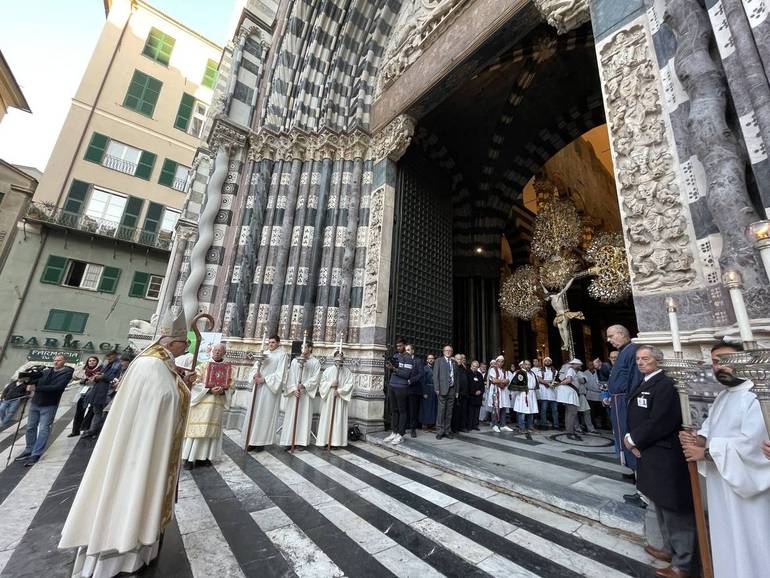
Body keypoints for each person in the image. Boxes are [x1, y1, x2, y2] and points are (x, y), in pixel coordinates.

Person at [59, 308, 192, 576]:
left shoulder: (159, 363)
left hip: (146, 443)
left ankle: (140, 545)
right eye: (184, 343)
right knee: (129, 493)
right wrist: (182, 389)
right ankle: (119, 545)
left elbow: (164, 398)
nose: (186, 347)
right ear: (172, 342)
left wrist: (182, 383)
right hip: (137, 449)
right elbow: (162, 401)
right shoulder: (151, 365)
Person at [679, 341, 770, 578]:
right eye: (715, 362)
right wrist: (694, 438)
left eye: (724, 360)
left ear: (744, 360)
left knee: (752, 539)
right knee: (727, 539)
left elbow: (752, 446)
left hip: (746, 489)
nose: (718, 366)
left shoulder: (758, 395)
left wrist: (706, 453)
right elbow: (709, 433)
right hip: (722, 484)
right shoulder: (723, 397)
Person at [624, 346, 695, 578]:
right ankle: (668, 549)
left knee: (674, 508)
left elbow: (661, 420)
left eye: (646, 358)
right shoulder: (646, 381)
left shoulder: (665, 384)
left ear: (658, 360)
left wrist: (633, 438)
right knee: (660, 502)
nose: (641, 362)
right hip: (650, 451)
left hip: (664, 452)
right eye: (638, 359)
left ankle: (682, 563)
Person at [15, 354, 74, 466]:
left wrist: (36, 388)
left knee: (43, 429)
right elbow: (35, 381)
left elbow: (58, 387)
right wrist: (27, 380)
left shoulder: (66, 373)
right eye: (55, 360)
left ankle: (36, 454)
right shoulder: (47, 371)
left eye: (59, 360)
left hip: (49, 404)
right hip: (36, 403)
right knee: (30, 427)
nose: (56, 362)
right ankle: (29, 449)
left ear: (64, 361)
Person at [181, 343, 234, 468]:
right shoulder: (203, 366)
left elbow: (232, 386)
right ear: (212, 351)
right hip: (201, 403)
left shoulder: (228, 369)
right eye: (215, 350)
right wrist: (209, 390)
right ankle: (189, 458)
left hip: (216, 405)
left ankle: (204, 458)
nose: (217, 352)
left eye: (220, 351)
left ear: (224, 353)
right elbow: (194, 383)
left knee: (210, 432)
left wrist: (223, 391)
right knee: (196, 431)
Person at [606, 324, 641, 470]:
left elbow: (635, 379)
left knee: (628, 435)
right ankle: (635, 473)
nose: (608, 340)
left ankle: (639, 475)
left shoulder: (632, 350)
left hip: (625, 400)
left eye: (611, 336)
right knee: (621, 434)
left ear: (621, 333)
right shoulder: (623, 352)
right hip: (617, 399)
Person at [245, 335, 289, 450]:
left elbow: (281, 374)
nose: (270, 344)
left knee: (264, 415)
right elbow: (255, 367)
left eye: (273, 342)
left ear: (278, 343)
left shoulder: (282, 355)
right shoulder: (263, 353)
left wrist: (264, 379)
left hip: (269, 390)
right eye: (269, 342)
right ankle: (250, 440)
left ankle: (260, 442)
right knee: (254, 413)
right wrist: (255, 375)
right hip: (258, 387)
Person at [279, 340, 321, 449]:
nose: (303, 350)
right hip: (295, 394)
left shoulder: (315, 362)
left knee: (303, 417)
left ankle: (301, 442)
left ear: (310, 348)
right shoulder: (294, 361)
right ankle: (289, 440)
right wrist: (293, 389)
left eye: (305, 347)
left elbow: (316, 378)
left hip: (306, 394)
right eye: (301, 347)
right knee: (291, 416)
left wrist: (304, 385)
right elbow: (290, 376)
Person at [316, 350, 355, 448]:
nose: (339, 359)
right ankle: (325, 440)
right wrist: (330, 385)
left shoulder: (347, 372)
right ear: (334, 358)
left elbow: (350, 385)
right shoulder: (328, 370)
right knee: (328, 419)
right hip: (329, 398)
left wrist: (340, 391)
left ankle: (336, 442)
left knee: (338, 419)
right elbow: (322, 383)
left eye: (341, 357)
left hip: (339, 399)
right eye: (337, 357)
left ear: (343, 359)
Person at [384, 338, 419, 445]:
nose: (398, 348)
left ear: (405, 346)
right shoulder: (395, 356)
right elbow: (393, 370)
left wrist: (394, 369)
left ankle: (400, 434)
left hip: (402, 388)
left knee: (402, 411)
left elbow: (406, 374)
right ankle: (394, 432)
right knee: (394, 410)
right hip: (392, 385)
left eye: (400, 346)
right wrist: (389, 367)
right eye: (397, 346)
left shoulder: (409, 359)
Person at [81, 352, 122, 440]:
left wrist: (103, 377)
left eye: (110, 356)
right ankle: (93, 431)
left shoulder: (118, 366)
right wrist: (97, 376)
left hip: (107, 393)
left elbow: (116, 379)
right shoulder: (106, 365)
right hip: (98, 392)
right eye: (108, 356)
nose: (108, 358)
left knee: (104, 414)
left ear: (115, 356)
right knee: (97, 413)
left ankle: (97, 432)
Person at [68, 356, 101, 437]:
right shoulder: (84, 369)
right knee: (79, 412)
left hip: (94, 393)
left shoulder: (100, 370)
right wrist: (84, 379)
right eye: (89, 361)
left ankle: (87, 430)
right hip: (83, 393)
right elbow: (76, 377)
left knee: (91, 412)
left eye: (93, 361)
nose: (91, 362)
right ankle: (75, 431)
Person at [434, 345, 457, 439]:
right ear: (443, 352)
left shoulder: (454, 362)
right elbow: (435, 376)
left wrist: (457, 390)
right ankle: (440, 431)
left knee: (449, 412)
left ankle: (447, 430)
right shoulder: (439, 361)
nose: (448, 352)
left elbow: (457, 377)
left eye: (450, 350)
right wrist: (437, 388)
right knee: (441, 411)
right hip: (442, 390)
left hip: (452, 389)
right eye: (446, 350)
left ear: (452, 352)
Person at [557, 358, 582, 440]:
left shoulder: (570, 369)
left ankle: (570, 431)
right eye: (579, 365)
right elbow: (569, 380)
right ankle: (570, 432)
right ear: (575, 365)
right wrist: (560, 384)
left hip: (569, 393)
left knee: (569, 413)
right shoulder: (571, 369)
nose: (580, 366)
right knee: (572, 413)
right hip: (570, 393)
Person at [486, 356, 512, 433]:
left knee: (503, 407)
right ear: (496, 362)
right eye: (499, 361)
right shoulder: (492, 370)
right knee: (496, 407)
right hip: (495, 391)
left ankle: (503, 425)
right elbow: (494, 380)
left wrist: (500, 381)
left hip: (503, 391)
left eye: (502, 362)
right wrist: (502, 381)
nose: (500, 363)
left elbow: (507, 381)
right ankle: (495, 425)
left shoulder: (504, 371)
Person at [513, 360, 539, 432]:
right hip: (523, 394)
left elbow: (535, 383)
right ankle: (522, 427)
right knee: (522, 411)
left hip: (532, 393)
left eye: (529, 364)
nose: (528, 366)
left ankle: (530, 426)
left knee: (531, 410)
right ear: (523, 365)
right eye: (526, 364)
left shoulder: (532, 373)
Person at [405, 344, 423, 438]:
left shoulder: (418, 361)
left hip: (414, 389)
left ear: (413, 351)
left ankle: (413, 429)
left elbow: (420, 374)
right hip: (403, 388)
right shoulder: (402, 360)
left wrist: (410, 381)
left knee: (413, 410)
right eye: (405, 350)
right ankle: (403, 427)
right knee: (404, 409)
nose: (406, 351)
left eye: (408, 350)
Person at [537, 357, 559, 429]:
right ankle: (544, 424)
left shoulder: (555, 371)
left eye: (549, 360)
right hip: (544, 392)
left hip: (553, 392)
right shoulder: (540, 370)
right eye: (545, 361)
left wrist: (554, 383)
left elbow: (558, 381)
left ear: (551, 362)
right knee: (543, 409)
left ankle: (556, 424)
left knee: (555, 409)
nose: (547, 362)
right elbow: (540, 380)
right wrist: (549, 382)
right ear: (544, 362)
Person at [453, 354, 471, 433]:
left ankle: (462, 426)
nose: (459, 361)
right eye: (458, 359)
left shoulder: (463, 368)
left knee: (464, 411)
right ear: (455, 359)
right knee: (456, 412)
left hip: (464, 394)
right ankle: (455, 428)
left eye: (461, 359)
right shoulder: (453, 368)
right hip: (457, 394)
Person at [419, 354, 437, 430]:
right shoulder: (424, 368)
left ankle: (432, 424)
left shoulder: (436, 368)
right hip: (427, 389)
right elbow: (422, 381)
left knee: (433, 407)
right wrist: (424, 392)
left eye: (432, 358)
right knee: (426, 407)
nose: (431, 360)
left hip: (434, 390)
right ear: (427, 360)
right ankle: (425, 424)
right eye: (429, 358)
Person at [576, 369, 596, 433]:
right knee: (574, 413)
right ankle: (577, 427)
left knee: (587, 411)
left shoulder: (581, 372)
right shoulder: (569, 371)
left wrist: (576, 379)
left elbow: (584, 381)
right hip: (573, 395)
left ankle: (590, 428)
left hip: (581, 395)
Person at [468, 360, 485, 430]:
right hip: (471, 396)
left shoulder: (479, 374)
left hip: (478, 397)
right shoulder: (468, 373)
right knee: (470, 412)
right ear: (471, 366)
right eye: (473, 366)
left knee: (477, 412)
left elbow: (482, 385)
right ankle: (469, 425)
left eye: (476, 366)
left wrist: (480, 391)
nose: (475, 367)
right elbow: (467, 385)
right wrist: (474, 392)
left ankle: (475, 425)